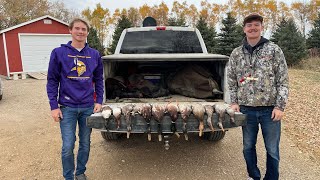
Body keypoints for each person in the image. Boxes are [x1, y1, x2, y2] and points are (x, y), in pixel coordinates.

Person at [227, 13, 289, 180]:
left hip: (270, 110)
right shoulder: (236, 54)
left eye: (256, 24)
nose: (252, 27)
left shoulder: (274, 50)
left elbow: (283, 80)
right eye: (249, 25)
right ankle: (253, 176)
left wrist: (279, 106)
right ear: (244, 29)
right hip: (246, 110)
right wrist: (234, 102)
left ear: (262, 27)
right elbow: (231, 81)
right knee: (248, 147)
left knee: (272, 149)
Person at [46, 18, 104, 180]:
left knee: (85, 143)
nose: (80, 32)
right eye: (77, 28)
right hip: (67, 107)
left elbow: (99, 79)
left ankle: (80, 173)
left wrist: (99, 101)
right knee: (68, 146)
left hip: (88, 107)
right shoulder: (59, 53)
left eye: (83, 29)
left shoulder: (94, 55)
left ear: (87, 32)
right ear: (70, 31)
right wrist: (53, 106)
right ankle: (68, 177)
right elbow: (52, 80)